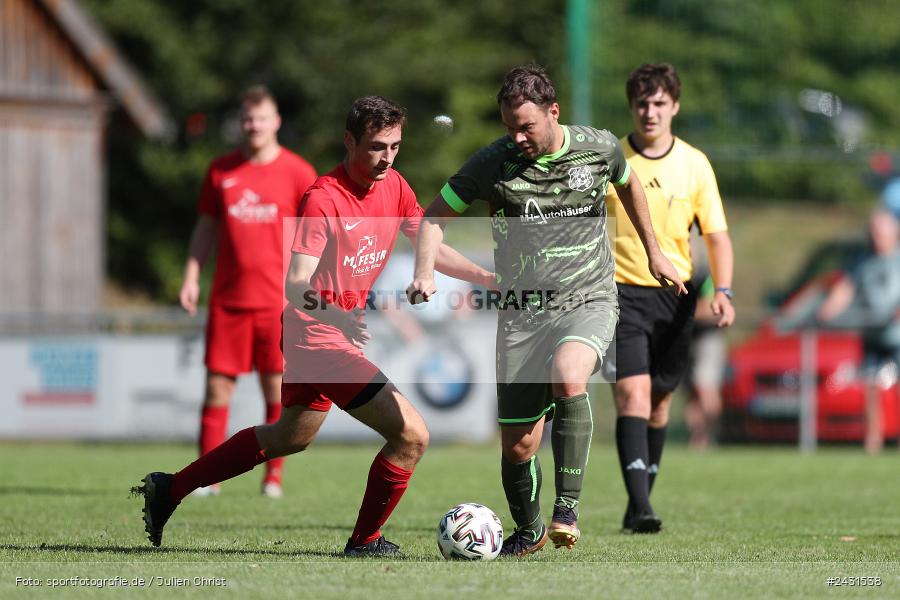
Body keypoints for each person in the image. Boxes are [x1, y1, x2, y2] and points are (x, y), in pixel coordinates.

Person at [134, 96, 494, 556]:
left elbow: (428, 240)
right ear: (349, 141)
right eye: (377, 146)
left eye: (395, 146)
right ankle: (365, 542)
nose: (387, 158)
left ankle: (169, 489)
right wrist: (337, 314)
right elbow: (296, 282)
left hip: (329, 338)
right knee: (411, 435)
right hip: (318, 338)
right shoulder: (323, 198)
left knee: (289, 437)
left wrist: (484, 276)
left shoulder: (396, 186)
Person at [408, 65, 685, 557]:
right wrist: (425, 272)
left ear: (553, 112)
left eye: (527, 126)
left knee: (569, 370)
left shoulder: (597, 148)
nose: (517, 137)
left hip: (587, 297)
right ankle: (530, 529)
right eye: (509, 127)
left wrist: (654, 251)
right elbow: (432, 218)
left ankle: (567, 510)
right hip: (521, 313)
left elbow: (629, 183)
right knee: (517, 446)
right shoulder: (493, 163)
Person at [605, 63, 735, 533]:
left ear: (674, 106)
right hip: (620, 293)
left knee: (660, 402)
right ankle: (640, 508)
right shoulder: (611, 158)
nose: (650, 111)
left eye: (659, 102)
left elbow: (717, 236)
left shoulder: (695, 163)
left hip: (676, 297)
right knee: (632, 394)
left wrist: (722, 289)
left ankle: (640, 500)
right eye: (642, 102)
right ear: (632, 107)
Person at [178, 85, 317, 498]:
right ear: (241, 124)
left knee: (276, 392)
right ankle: (208, 479)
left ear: (275, 122)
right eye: (247, 119)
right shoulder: (221, 171)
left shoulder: (298, 172)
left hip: (277, 304)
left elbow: (314, 232)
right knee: (216, 388)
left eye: (261, 118)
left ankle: (272, 478)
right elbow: (205, 227)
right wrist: (190, 275)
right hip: (228, 302)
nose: (253, 125)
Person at [818, 209, 900, 454]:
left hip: (897, 337)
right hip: (873, 335)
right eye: (874, 232)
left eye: (882, 232)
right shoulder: (863, 261)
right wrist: (828, 309)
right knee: (872, 387)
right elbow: (846, 288)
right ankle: (873, 440)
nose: (877, 237)